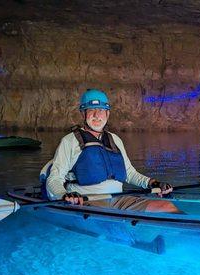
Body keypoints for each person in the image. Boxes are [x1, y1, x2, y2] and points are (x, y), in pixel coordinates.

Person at [44, 88, 181, 213]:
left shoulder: (115, 139)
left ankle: (199, 235)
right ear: (83, 113)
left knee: (168, 207)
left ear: (107, 114)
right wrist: (64, 195)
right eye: (92, 110)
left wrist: (153, 183)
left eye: (101, 110)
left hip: (119, 199)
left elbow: (130, 173)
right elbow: (54, 178)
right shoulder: (70, 141)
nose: (97, 115)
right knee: (114, 227)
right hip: (87, 201)